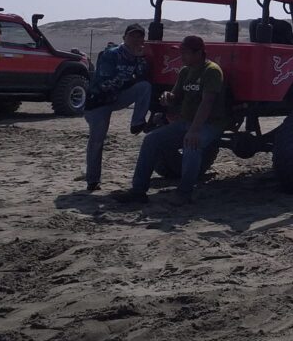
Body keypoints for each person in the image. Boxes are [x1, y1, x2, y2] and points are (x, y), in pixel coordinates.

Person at [111, 35, 226, 206]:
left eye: (185, 53)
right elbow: (176, 96)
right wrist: (168, 97)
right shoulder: (186, 72)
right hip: (185, 122)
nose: (182, 57)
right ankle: (138, 190)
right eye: (181, 53)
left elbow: (207, 102)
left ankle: (184, 193)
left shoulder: (212, 71)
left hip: (209, 123)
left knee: (191, 144)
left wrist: (194, 130)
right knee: (151, 140)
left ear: (199, 53)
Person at [82, 23, 152, 192]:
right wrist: (127, 75)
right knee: (97, 140)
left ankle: (137, 122)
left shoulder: (139, 56)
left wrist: (142, 58)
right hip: (99, 101)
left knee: (145, 87)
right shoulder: (110, 54)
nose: (136, 40)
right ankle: (93, 180)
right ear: (124, 38)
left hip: (118, 97)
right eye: (132, 36)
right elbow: (106, 83)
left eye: (140, 36)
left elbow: (142, 77)